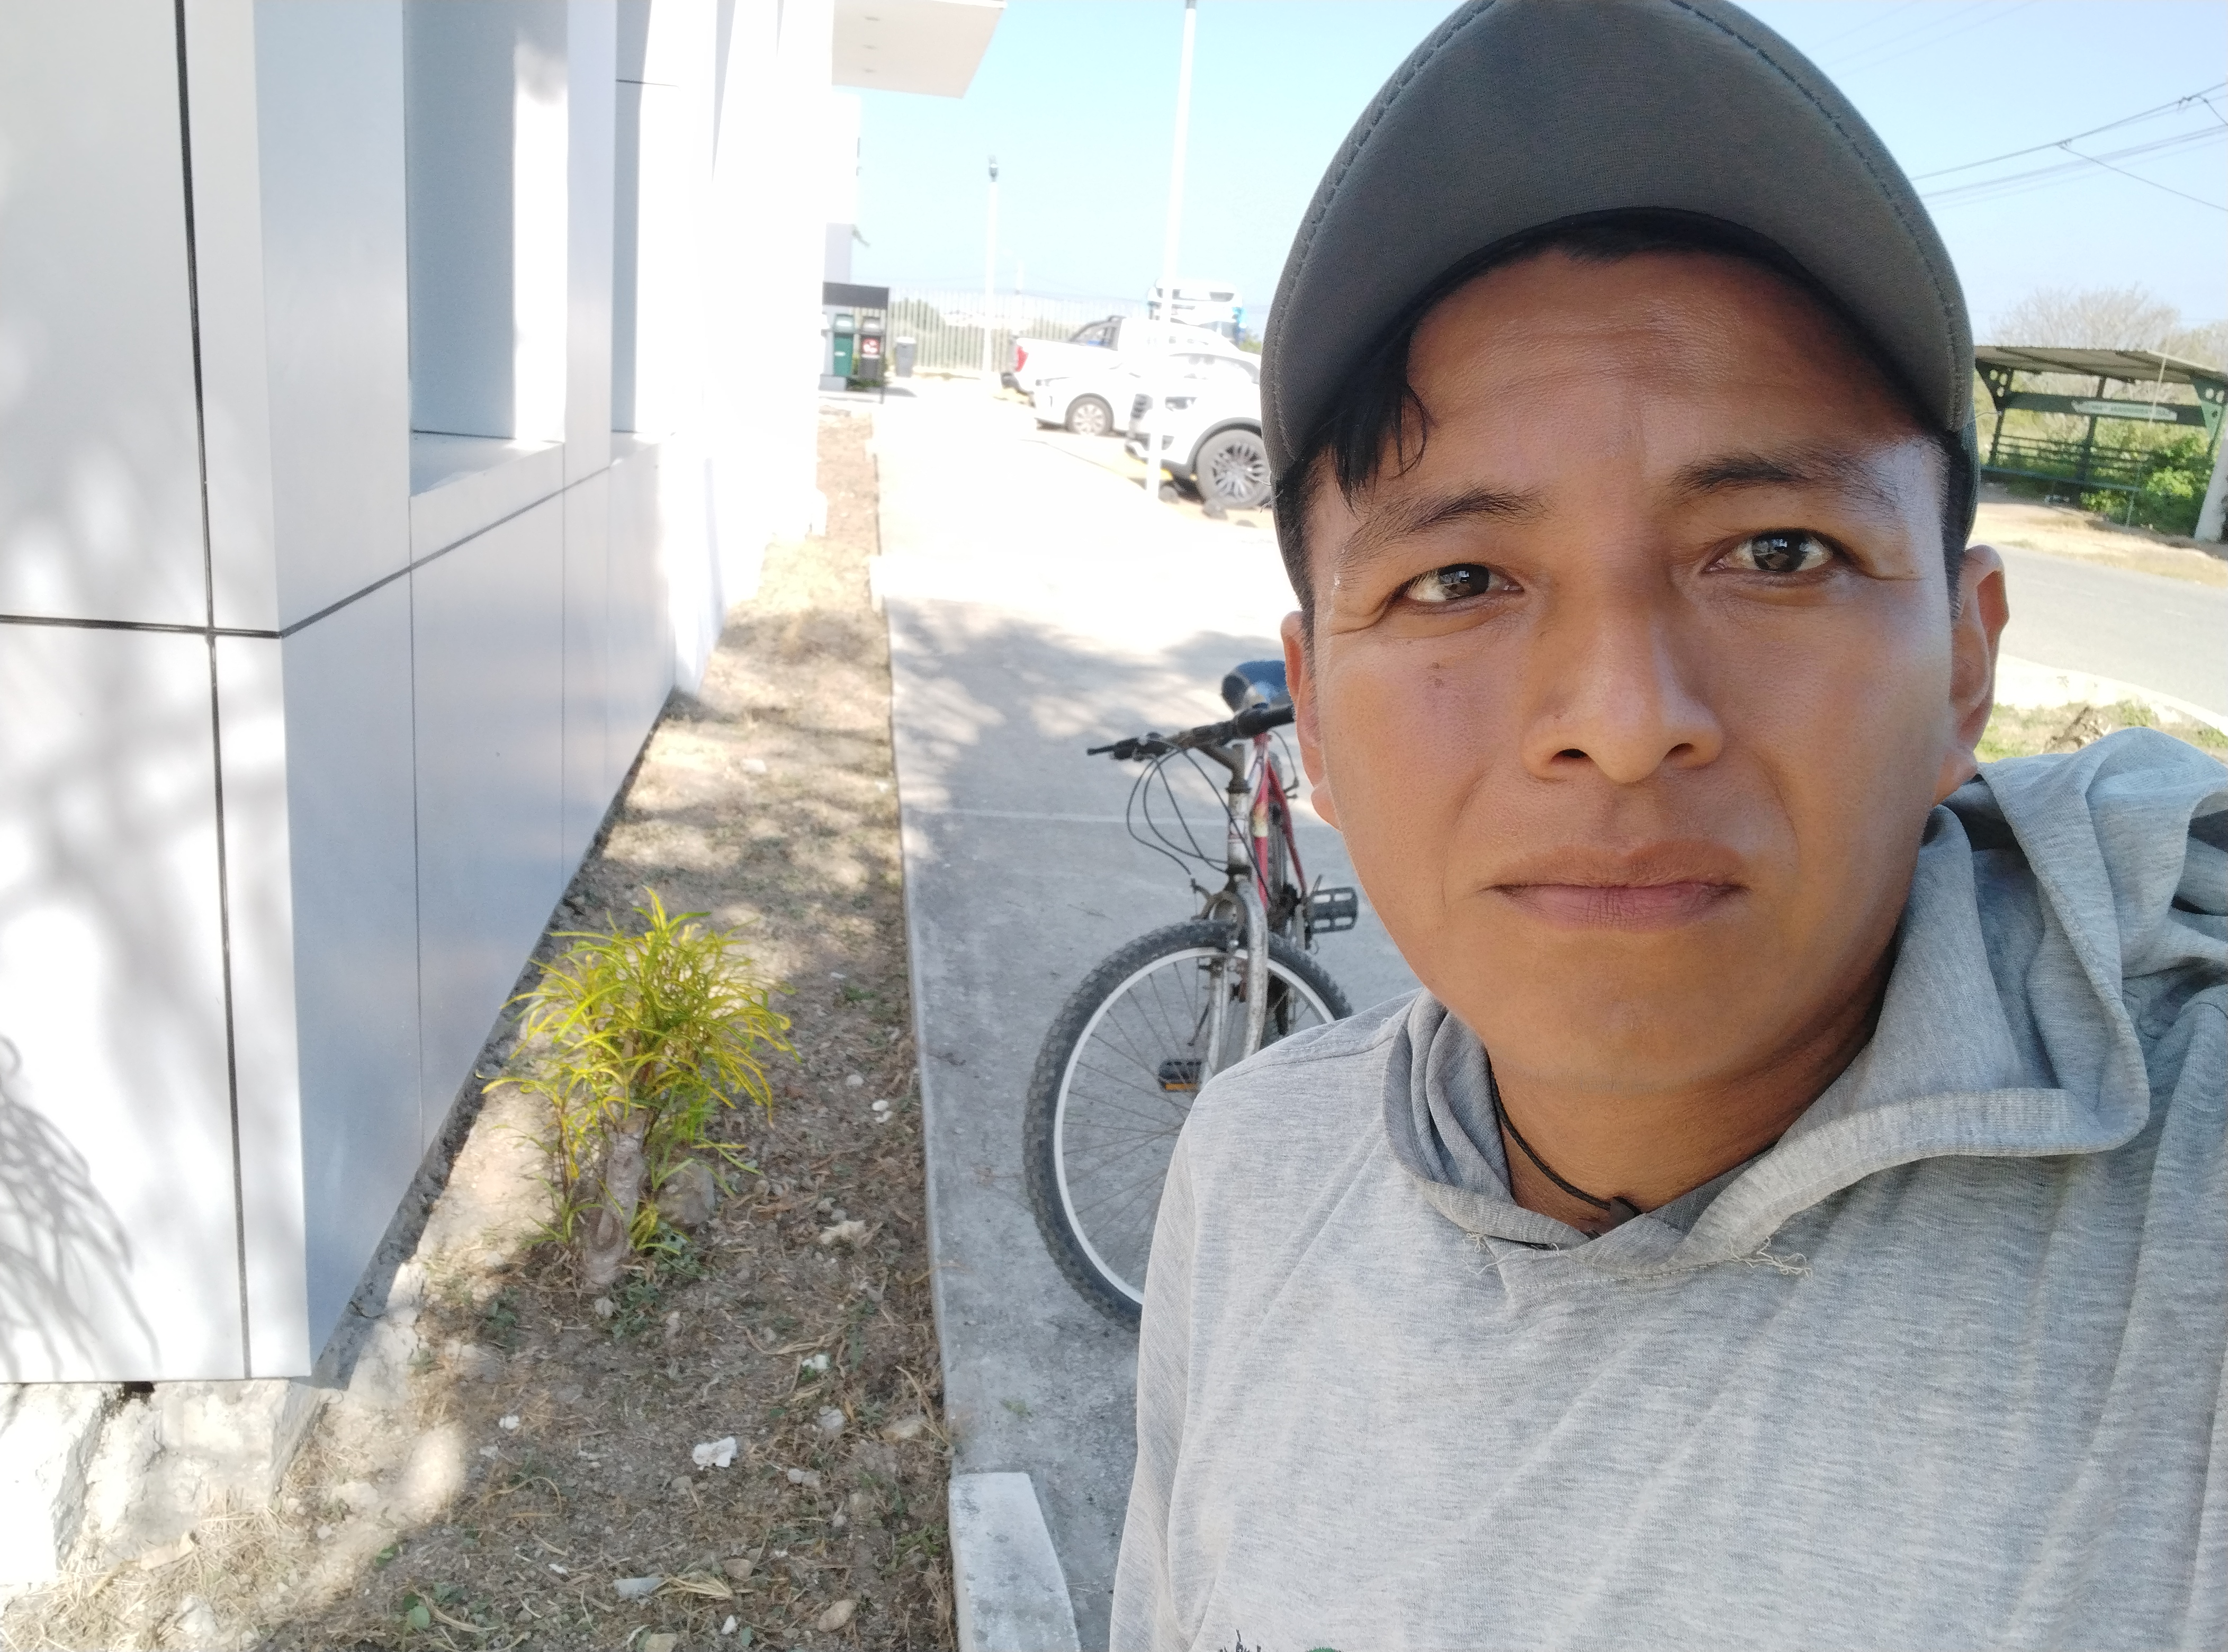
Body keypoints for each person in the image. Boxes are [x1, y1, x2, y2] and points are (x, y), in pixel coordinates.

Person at [1109, 3, 2227, 1648]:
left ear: (1965, 668)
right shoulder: (1254, 1169)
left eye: (1777, 553)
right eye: (1459, 580)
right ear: (1318, 715)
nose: (1625, 722)